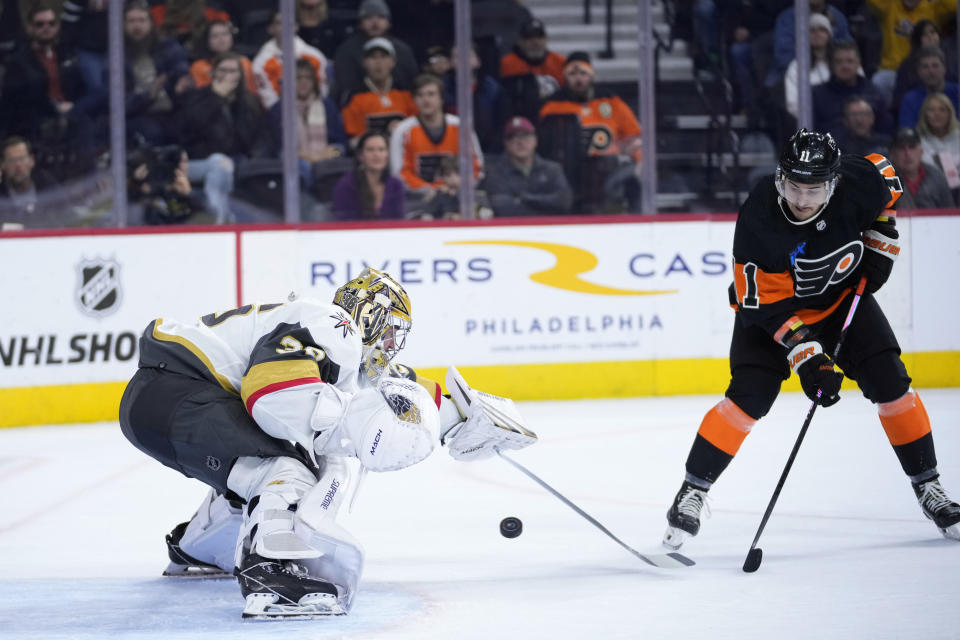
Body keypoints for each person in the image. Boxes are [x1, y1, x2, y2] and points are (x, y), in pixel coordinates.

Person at [119, 268, 536, 616]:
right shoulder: (334, 324)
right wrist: (350, 429)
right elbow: (270, 393)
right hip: (178, 389)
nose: (392, 345)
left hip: (159, 396)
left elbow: (396, 384)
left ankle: (201, 550)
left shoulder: (337, 347)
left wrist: (464, 416)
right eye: (391, 331)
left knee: (259, 466)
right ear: (370, 314)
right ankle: (270, 573)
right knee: (290, 467)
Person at [662, 128, 960, 552]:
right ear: (781, 179)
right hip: (770, 317)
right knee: (749, 398)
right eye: (795, 187)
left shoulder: (859, 180)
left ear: (833, 183)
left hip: (842, 304)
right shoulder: (759, 217)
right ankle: (693, 490)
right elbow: (767, 305)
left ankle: (930, 488)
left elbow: (887, 181)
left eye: (814, 189)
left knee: (892, 383)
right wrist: (809, 357)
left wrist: (881, 240)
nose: (803, 200)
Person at [390, 73, 482, 206]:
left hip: (458, 196)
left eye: (431, 94)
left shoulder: (460, 127)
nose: (426, 100)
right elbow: (400, 173)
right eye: (420, 95)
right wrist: (432, 190)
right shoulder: (403, 131)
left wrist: (456, 187)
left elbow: (476, 166)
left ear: (441, 98)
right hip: (417, 200)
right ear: (414, 100)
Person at [331, 0, 419, 107]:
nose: (375, 22)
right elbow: (345, 88)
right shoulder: (346, 51)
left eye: (381, 17)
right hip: (359, 105)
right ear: (360, 23)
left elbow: (412, 83)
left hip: (400, 104)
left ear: (389, 22)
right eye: (368, 17)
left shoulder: (403, 50)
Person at [483, 116, 573, 216]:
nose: (520, 142)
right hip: (511, 229)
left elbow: (563, 202)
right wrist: (542, 207)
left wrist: (523, 198)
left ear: (535, 140)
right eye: (513, 137)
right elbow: (501, 208)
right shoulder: (496, 173)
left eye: (525, 136)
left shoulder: (552, 170)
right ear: (506, 143)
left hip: (550, 229)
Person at [340, 37, 417, 146]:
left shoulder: (406, 93)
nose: (378, 62)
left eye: (383, 57)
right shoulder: (354, 96)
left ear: (393, 62)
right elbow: (354, 138)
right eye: (373, 57)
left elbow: (415, 130)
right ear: (364, 62)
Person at [251, 9, 328, 110]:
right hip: (279, 115)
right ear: (271, 28)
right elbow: (269, 101)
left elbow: (322, 91)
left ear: (296, 26)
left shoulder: (315, 56)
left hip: (314, 111)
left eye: (290, 23)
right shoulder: (261, 63)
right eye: (280, 23)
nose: (285, 27)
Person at [499, 18, 566, 123]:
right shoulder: (506, 63)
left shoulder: (560, 62)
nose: (535, 42)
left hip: (553, 116)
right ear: (520, 41)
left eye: (540, 37)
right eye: (529, 38)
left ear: (546, 39)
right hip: (519, 119)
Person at [332, 131, 405, 220]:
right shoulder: (346, 185)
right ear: (360, 155)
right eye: (370, 150)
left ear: (387, 154)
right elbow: (344, 223)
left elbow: (399, 221)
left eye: (381, 149)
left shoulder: (396, 185)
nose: (377, 155)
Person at [888, 126, 956, 208]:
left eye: (912, 147)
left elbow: (950, 214)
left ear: (921, 152)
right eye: (901, 148)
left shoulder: (937, 177)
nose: (908, 154)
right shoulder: (885, 181)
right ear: (893, 154)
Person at [0, 136, 59, 228]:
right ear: (3, 165)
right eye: (12, 161)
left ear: (31, 161)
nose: (18, 165)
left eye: (22, 159)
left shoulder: (49, 189)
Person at [784, 13, 833, 120]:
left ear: (829, 35)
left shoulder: (841, 61)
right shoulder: (796, 66)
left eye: (822, 30)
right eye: (812, 30)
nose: (817, 34)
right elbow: (792, 103)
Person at [189, 20, 257, 95]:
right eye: (215, 36)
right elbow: (201, 96)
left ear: (232, 37)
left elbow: (252, 92)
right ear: (207, 41)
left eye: (225, 34)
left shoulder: (244, 62)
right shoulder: (199, 67)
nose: (221, 39)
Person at [898, 46, 960, 129]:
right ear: (918, 71)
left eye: (935, 66)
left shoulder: (957, 92)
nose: (931, 71)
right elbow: (908, 132)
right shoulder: (910, 99)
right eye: (925, 67)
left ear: (944, 68)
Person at [915, 92, 960, 182]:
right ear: (925, 114)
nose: (937, 114)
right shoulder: (917, 140)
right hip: (930, 187)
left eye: (942, 110)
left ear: (949, 113)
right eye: (931, 110)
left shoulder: (958, 136)